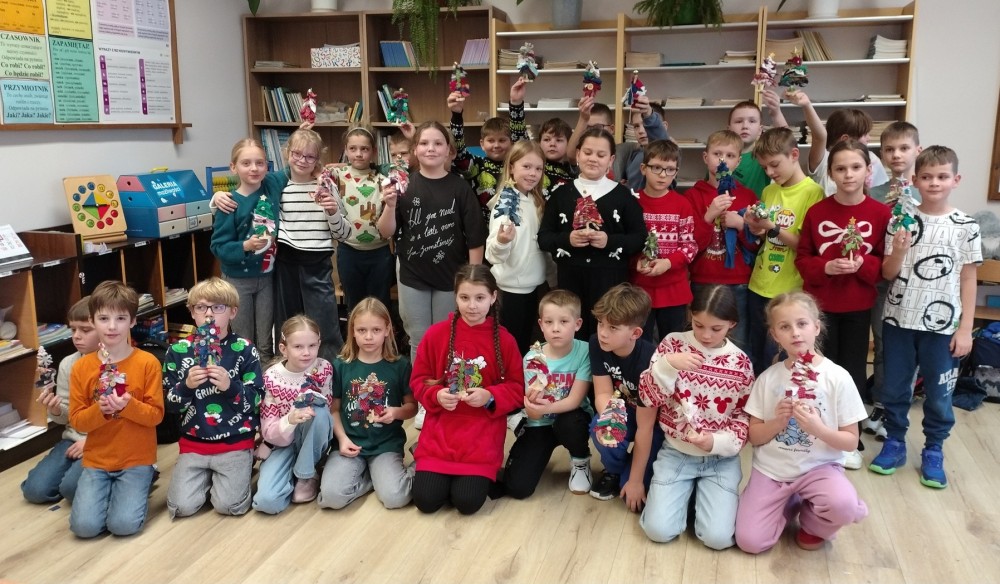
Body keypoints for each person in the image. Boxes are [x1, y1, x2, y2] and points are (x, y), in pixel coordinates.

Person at [869, 146, 981, 489]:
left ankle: (934, 448)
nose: (934, 183)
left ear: (955, 180)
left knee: (939, 391)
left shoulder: (966, 226)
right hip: (899, 322)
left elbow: (968, 278)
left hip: (943, 328)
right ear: (915, 180)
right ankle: (895, 441)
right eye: (927, 177)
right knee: (894, 386)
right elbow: (888, 272)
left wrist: (966, 329)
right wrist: (899, 251)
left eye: (942, 176)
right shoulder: (900, 220)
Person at [735, 292, 868, 553]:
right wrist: (778, 422)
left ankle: (815, 522)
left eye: (802, 324)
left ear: (816, 327)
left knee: (843, 506)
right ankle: (791, 501)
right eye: (785, 327)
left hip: (819, 468)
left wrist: (818, 429)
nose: (795, 333)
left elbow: (851, 441)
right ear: (774, 335)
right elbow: (754, 436)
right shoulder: (768, 378)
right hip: (773, 471)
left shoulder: (838, 378)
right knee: (750, 542)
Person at [377, 121, 487, 428]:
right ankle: (424, 399)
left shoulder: (460, 187)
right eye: (424, 143)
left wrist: (473, 278)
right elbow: (386, 231)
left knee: (446, 339)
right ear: (415, 150)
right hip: (413, 275)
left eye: (438, 143)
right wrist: (389, 205)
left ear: (449, 150)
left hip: (451, 279)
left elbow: (475, 237)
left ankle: (446, 393)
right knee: (419, 339)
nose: (431, 149)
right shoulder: (403, 185)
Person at [213, 128, 352, 363]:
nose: (303, 160)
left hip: (316, 264)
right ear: (287, 153)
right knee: (286, 325)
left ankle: (329, 374)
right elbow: (246, 188)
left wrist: (333, 211)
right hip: (284, 263)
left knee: (324, 324)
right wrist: (216, 197)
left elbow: (344, 233)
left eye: (310, 156)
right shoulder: (276, 185)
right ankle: (282, 374)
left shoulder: (325, 187)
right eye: (297, 154)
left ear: (317, 159)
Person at [795, 140, 892, 470]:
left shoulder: (881, 213)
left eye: (855, 167)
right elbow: (803, 258)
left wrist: (862, 265)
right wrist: (825, 267)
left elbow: (884, 264)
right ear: (831, 174)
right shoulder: (817, 212)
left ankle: (851, 436)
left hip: (857, 305)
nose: (848, 174)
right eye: (840, 168)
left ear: (868, 171)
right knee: (818, 369)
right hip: (820, 307)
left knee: (851, 369)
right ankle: (817, 431)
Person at [638, 285, 754, 549]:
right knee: (658, 531)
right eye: (698, 325)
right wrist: (667, 365)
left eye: (716, 329)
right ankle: (688, 498)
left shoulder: (741, 363)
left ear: (732, 325)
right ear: (690, 315)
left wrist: (715, 442)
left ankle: (695, 498)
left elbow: (743, 417)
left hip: (721, 460)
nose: (705, 335)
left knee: (718, 539)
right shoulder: (673, 344)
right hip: (676, 452)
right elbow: (647, 397)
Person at [409, 264, 524, 515]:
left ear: (493, 297)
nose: (472, 306)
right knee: (426, 501)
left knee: (467, 502)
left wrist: (490, 396)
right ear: (455, 297)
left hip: (481, 440)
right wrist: (436, 395)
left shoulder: (505, 340)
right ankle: (427, 461)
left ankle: (469, 478)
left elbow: (517, 388)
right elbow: (418, 381)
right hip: (440, 436)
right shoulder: (435, 334)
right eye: (464, 297)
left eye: (480, 298)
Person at [68, 281, 164, 538]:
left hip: (136, 459)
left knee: (123, 525)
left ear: (132, 321)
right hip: (97, 461)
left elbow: (156, 415)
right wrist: (100, 410)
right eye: (104, 318)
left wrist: (128, 405)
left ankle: (141, 483)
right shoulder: (81, 368)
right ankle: (113, 496)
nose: (112, 326)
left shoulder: (148, 363)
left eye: (120, 318)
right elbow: (77, 421)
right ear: (92, 321)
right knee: (84, 528)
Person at [162, 278, 264, 519]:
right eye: (201, 307)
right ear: (192, 313)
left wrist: (230, 387)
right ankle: (208, 478)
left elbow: (257, 400)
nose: (209, 315)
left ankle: (237, 469)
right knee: (180, 508)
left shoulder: (244, 349)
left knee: (229, 507)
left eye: (218, 307)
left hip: (234, 442)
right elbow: (170, 406)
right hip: (194, 444)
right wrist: (186, 387)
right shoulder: (177, 351)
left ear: (232, 312)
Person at [538, 128, 647, 340]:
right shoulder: (561, 194)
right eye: (588, 152)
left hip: (610, 280)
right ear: (578, 154)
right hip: (570, 279)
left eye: (601, 154)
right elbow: (544, 238)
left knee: (606, 332)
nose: (593, 159)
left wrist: (609, 241)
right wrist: (567, 239)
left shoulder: (623, 195)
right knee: (572, 334)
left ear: (611, 160)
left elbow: (639, 238)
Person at [319, 298, 415, 510]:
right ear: (352, 331)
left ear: (387, 330)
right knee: (331, 497)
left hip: (386, 445)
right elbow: (334, 409)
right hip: (350, 443)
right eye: (362, 330)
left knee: (395, 498)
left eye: (376, 330)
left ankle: (422, 463)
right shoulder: (340, 365)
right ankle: (374, 480)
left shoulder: (400, 365)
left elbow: (412, 407)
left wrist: (395, 412)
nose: (369, 337)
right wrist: (342, 439)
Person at [499, 289, 594, 499]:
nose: (556, 328)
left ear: (577, 324)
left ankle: (580, 459)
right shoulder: (532, 358)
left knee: (570, 423)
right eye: (549, 322)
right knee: (517, 488)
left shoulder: (585, 351)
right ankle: (525, 435)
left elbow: (575, 400)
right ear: (541, 325)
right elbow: (534, 413)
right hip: (540, 422)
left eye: (563, 321)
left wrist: (547, 407)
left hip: (572, 418)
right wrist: (533, 407)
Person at [745, 127, 824, 374]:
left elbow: (805, 245)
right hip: (759, 283)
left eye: (774, 165)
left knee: (780, 357)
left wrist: (771, 227)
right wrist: (757, 228)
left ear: (794, 155)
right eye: (764, 167)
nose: (770, 172)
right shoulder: (769, 190)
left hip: (789, 289)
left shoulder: (813, 192)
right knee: (756, 352)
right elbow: (767, 236)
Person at [865, 121, 922, 438]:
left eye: (904, 148)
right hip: (883, 281)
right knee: (883, 343)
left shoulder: (926, 190)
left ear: (917, 151)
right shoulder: (874, 193)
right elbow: (869, 238)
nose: (897, 155)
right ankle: (881, 403)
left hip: (916, 282)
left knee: (908, 347)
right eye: (889, 149)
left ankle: (899, 407)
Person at [587, 283, 664, 511]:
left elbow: (646, 428)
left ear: (635, 333)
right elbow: (602, 392)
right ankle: (615, 469)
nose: (603, 332)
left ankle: (631, 471)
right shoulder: (597, 343)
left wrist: (636, 480)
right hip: (624, 411)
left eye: (613, 327)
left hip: (652, 425)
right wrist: (612, 419)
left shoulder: (650, 361)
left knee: (633, 495)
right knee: (601, 427)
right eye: (600, 322)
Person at [685, 130, 761, 351]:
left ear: (739, 161)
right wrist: (708, 216)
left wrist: (741, 225)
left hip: (739, 281)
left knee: (738, 342)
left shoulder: (747, 196)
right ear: (705, 157)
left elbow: (755, 245)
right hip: (703, 280)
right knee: (702, 340)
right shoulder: (692, 196)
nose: (723, 161)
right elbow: (691, 246)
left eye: (730, 155)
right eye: (717, 154)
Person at [253, 315, 334, 514]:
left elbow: (327, 414)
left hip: (312, 439)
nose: (306, 353)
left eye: (312, 346)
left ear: (319, 344)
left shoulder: (324, 368)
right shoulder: (271, 378)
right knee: (266, 501)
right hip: (281, 444)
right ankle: (291, 473)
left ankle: (306, 474)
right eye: (298, 347)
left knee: (318, 409)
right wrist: (289, 420)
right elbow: (269, 430)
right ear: (283, 348)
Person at [210, 138, 282, 363]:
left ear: (267, 166)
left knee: (266, 340)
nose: (254, 168)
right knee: (244, 338)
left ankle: (265, 377)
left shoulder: (271, 185)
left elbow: (297, 164)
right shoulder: (229, 203)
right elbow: (218, 247)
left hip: (267, 277)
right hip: (237, 280)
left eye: (260, 163)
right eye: (246, 163)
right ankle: (244, 377)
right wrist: (245, 246)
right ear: (233, 167)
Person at [21, 298, 97, 504]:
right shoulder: (68, 364)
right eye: (73, 329)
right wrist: (55, 409)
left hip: (106, 441)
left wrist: (91, 443)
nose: (77, 336)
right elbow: (66, 418)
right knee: (35, 491)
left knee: (71, 488)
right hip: (73, 439)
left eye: (85, 330)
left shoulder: (116, 364)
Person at [324, 126, 395, 316]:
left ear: (374, 151)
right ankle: (355, 335)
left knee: (380, 304)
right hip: (349, 252)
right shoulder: (336, 176)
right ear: (345, 150)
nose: (358, 154)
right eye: (353, 149)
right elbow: (314, 168)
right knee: (354, 304)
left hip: (379, 253)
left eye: (364, 149)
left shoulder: (383, 178)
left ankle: (381, 335)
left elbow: (402, 168)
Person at [486, 140, 548, 354]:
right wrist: (502, 241)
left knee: (526, 346)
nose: (533, 173)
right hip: (510, 291)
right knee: (510, 348)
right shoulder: (506, 203)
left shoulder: (535, 201)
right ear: (512, 167)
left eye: (538, 168)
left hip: (533, 287)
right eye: (526, 166)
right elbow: (493, 254)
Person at [632, 139, 697, 342]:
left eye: (669, 170)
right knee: (639, 343)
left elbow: (690, 247)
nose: (662, 175)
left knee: (673, 343)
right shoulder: (632, 202)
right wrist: (636, 261)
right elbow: (626, 243)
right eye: (656, 168)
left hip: (673, 291)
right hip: (639, 290)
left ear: (676, 173)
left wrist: (668, 263)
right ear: (643, 168)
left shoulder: (682, 204)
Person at [786, 90, 889, 195]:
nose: (869, 138)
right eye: (865, 134)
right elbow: (819, 137)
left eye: (856, 167)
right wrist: (807, 105)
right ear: (845, 139)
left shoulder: (872, 159)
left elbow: (882, 192)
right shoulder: (823, 161)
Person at [449, 81, 518, 221]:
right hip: (480, 228)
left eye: (502, 140)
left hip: (510, 227)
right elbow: (459, 151)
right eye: (491, 141)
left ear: (511, 143)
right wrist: (456, 115)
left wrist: (516, 104)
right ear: (482, 144)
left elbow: (521, 136)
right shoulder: (476, 165)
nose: (496, 145)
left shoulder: (517, 166)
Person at [566, 97, 669, 185]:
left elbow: (659, 146)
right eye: (588, 128)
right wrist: (583, 119)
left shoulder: (626, 150)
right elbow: (571, 155)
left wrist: (649, 115)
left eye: (598, 127)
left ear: (612, 129)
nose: (593, 133)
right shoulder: (584, 154)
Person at [727, 91, 787, 198]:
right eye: (739, 121)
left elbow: (786, 140)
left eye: (752, 121)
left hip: (757, 207)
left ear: (760, 130)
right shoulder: (719, 156)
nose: (745, 126)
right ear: (729, 129)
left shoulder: (764, 156)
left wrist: (776, 113)